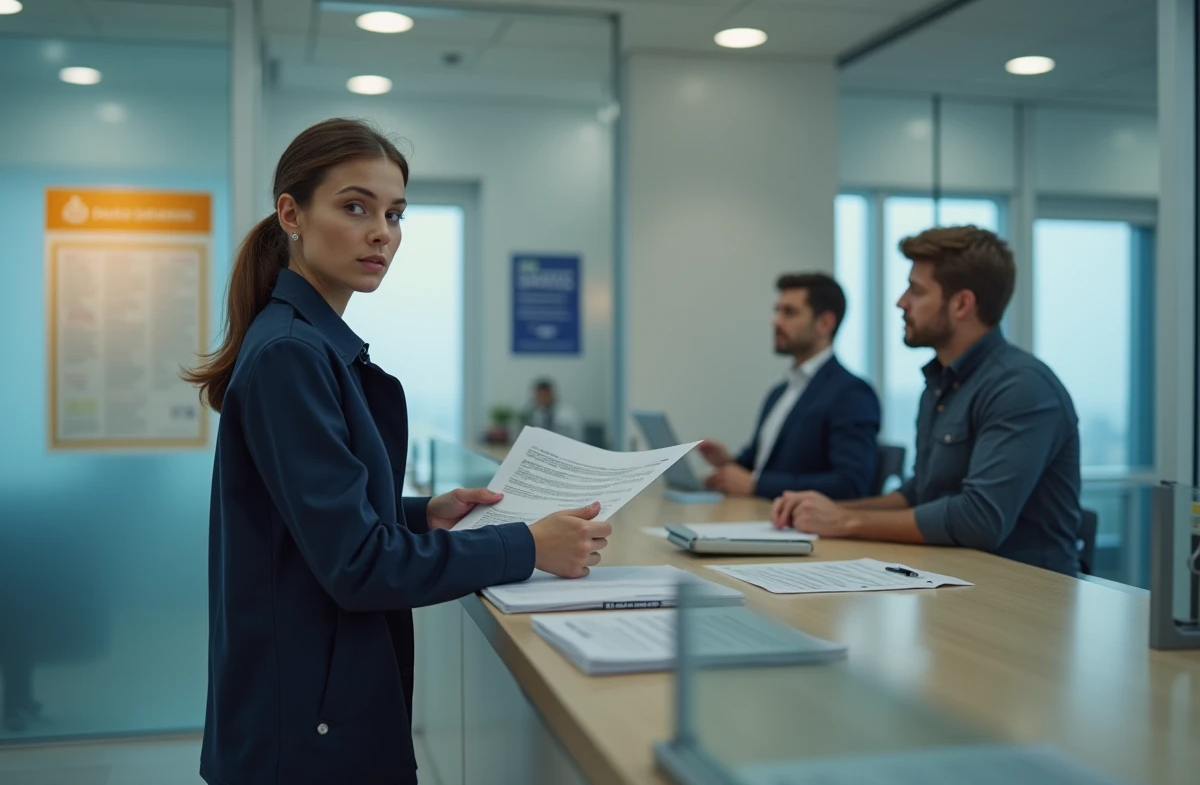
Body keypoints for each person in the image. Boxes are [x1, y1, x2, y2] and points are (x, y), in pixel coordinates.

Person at [183, 118, 612, 785]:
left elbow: (308, 522)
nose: (382, 231)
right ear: (291, 214)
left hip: (307, 711)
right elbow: (356, 565)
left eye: (394, 213)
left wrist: (420, 515)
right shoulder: (293, 355)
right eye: (355, 208)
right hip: (299, 736)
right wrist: (528, 547)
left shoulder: (307, 344)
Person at [772, 226, 1082, 575]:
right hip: (949, 578)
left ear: (962, 304)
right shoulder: (940, 384)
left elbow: (979, 519)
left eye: (916, 291)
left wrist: (846, 520)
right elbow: (919, 493)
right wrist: (824, 510)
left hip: (1023, 597)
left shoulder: (1022, 387)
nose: (901, 302)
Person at [697, 273, 880, 500]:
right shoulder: (779, 393)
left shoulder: (851, 393)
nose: (776, 321)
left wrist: (757, 484)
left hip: (802, 529)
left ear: (825, 323)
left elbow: (850, 484)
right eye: (777, 311)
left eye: (789, 312)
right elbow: (761, 465)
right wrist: (728, 464)